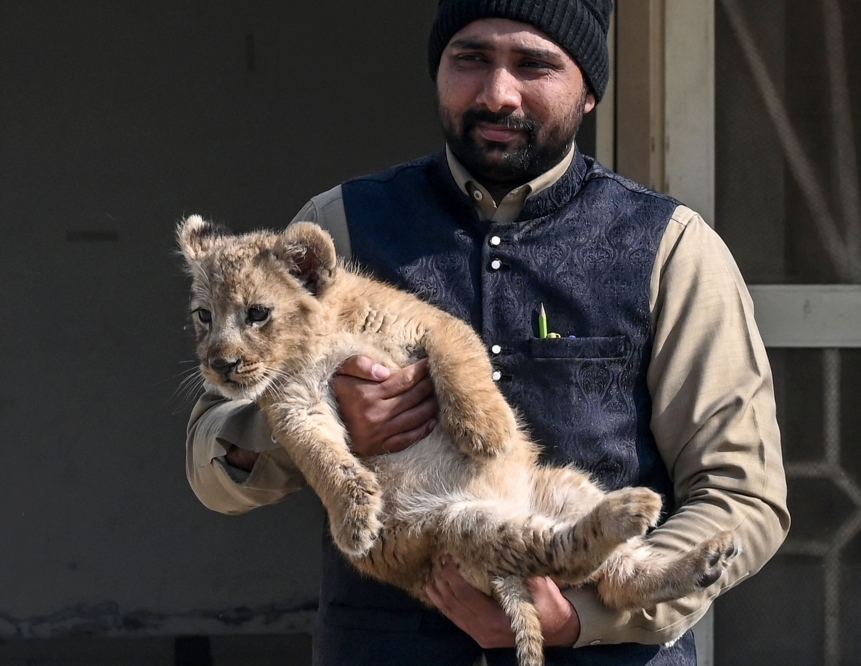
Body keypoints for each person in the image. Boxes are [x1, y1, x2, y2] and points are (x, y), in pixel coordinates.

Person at [185, 1, 789, 664]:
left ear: (589, 90)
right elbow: (214, 465)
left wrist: (582, 617)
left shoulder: (671, 250)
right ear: (439, 70)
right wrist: (307, 423)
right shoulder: (340, 227)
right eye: (470, 59)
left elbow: (742, 493)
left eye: (534, 64)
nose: (498, 93)